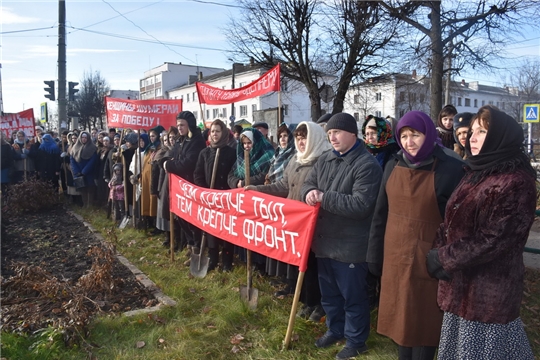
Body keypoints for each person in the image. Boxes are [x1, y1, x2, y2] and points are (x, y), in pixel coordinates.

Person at [428, 105, 536, 360]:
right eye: (472, 131)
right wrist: (438, 251)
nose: (471, 137)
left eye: (482, 131)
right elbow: (451, 219)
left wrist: (444, 258)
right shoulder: (476, 172)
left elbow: (494, 239)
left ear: (500, 136)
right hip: (459, 285)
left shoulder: (516, 182)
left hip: (487, 294)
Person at [367, 110, 465, 360]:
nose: (409, 142)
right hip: (396, 256)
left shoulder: (450, 169)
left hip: (429, 261)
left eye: (416, 135)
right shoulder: (393, 164)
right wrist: (374, 255)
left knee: (423, 325)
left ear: (429, 134)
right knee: (400, 320)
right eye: (404, 135)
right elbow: (381, 214)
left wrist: (448, 260)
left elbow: (458, 224)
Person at [301, 112, 383, 360]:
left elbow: (361, 205)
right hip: (324, 243)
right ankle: (335, 329)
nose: (332, 137)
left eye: (336, 132)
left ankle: (357, 341)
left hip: (350, 246)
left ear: (352, 134)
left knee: (353, 297)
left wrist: (324, 197)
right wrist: (309, 193)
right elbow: (308, 183)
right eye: (329, 134)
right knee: (330, 295)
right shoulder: (325, 159)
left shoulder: (366, 165)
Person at [248, 121, 331, 321]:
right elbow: (283, 185)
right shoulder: (295, 159)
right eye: (299, 138)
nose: (302, 142)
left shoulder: (324, 160)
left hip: (316, 224)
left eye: (305, 138)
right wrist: (256, 189)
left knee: (314, 267)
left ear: (315, 138)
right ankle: (305, 301)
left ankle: (319, 304)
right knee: (299, 264)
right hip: (295, 224)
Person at [193, 119, 237, 271]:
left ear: (223, 132)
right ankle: (212, 259)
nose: (215, 134)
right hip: (209, 199)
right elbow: (197, 174)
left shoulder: (231, 152)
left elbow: (234, 173)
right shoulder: (204, 153)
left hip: (225, 199)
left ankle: (226, 261)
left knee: (226, 230)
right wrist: (206, 192)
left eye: (218, 131)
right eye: (212, 131)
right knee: (210, 230)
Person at [163, 111, 206, 254]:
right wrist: (170, 163)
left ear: (190, 125)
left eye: (182, 125)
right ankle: (190, 244)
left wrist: (168, 165)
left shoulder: (196, 140)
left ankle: (197, 247)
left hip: (191, 184)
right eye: (178, 125)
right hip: (179, 187)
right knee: (181, 217)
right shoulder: (180, 140)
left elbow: (187, 163)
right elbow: (175, 158)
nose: (179, 128)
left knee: (192, 218)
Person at [262, 123, 296, 293]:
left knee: (285, 241)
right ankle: (279, 276)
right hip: (272, 200)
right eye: (281, 136)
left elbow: (286, 183)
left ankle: (289, 281)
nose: (283, 139)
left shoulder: (294, 156)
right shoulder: (277, 155)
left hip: (285, 202)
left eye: (286, 136)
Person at [70, 131, 98, 208]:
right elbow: (72, 160)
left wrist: (84, 171)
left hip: (89, 172)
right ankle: (84, 204)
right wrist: (77, 171)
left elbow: (93, 160)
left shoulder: (92, 148)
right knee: (82, 189)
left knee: (90, 188)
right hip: (78, 172)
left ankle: (90, 205)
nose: (84, 139)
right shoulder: (75, 147)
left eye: (86, 138)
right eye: (83, 137)